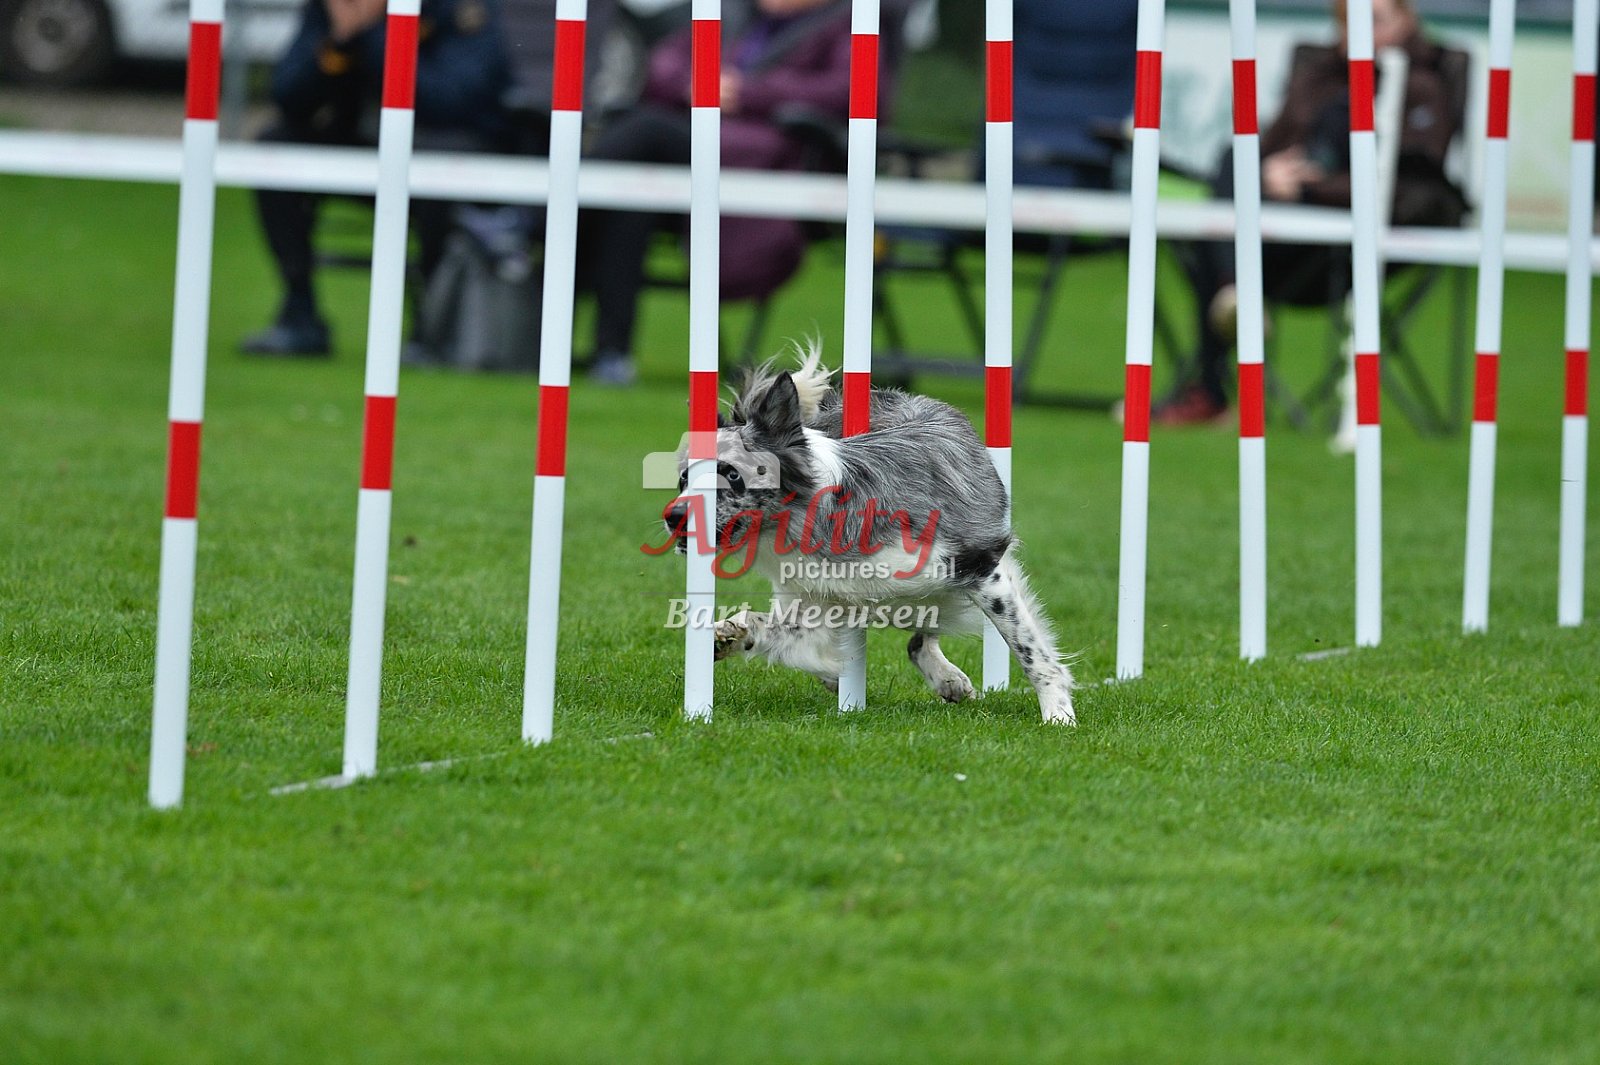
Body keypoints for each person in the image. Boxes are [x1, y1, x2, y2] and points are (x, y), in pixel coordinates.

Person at [1157, 0, 1467, 425]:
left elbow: (1412, 180)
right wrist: (1269, 172)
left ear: (1407, 20)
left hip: (1355, 231)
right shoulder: (1317, 73)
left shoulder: (1426, 83)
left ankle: (1215, 376)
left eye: (1376, 20)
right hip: (1282, 225)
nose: (1360, 31)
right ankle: (1234, 304)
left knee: (1219, 235)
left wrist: (1311, 185)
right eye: (1349, 22)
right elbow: (1271, 145)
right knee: (1235, 160)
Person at [579, 0, 874, 386]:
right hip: (693, 153)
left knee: (642, 131)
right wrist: (696, 85)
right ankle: (611, 352)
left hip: (760, 164)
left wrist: (747, 93)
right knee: (629, 198)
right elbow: (663, 63)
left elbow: (851, 90)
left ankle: (540, 224)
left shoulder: (850, 24)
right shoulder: (733, 15)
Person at [242, 0, 511, 357]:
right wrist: (340, 42)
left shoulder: (455, 7)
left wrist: (378, 35)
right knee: (277, 148)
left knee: (441, 170)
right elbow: (288, 96)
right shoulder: (337, 7)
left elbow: (455, 100)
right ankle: (299, 312)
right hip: (362, 150)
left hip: (444, 154)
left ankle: (434, 327)